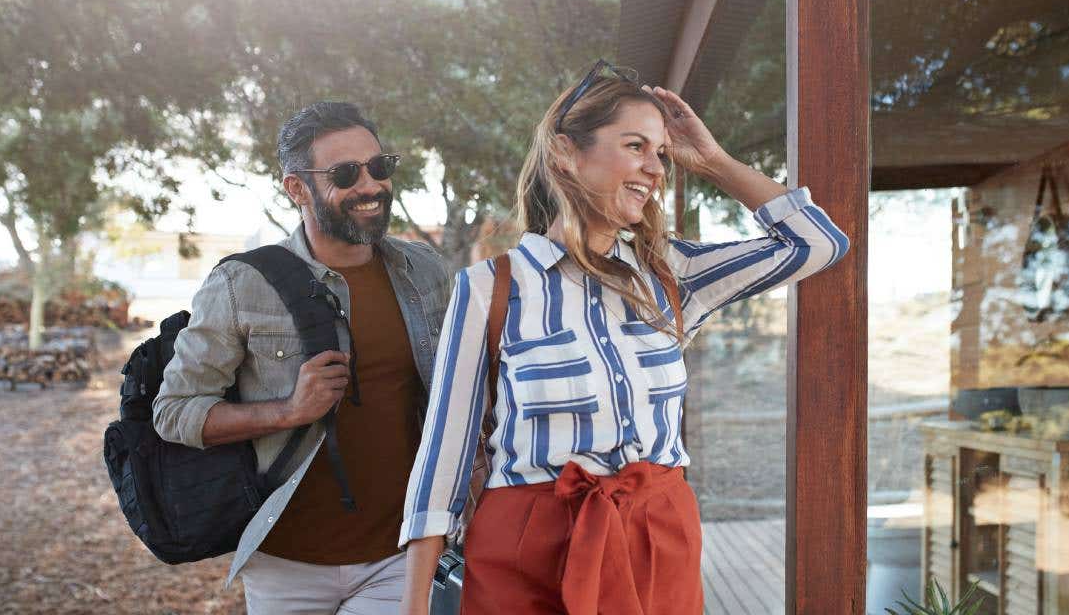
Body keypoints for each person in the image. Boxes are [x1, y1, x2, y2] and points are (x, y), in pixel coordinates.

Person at [398, 62, 849, 615]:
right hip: (528, 553)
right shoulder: (490, 288)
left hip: (657, 542)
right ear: (565, 152)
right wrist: (415, 605)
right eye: (636, 145)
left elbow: (815, 243)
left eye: (661, 153)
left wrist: (711, 160)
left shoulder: (670, 274)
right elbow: (443, 454)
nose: (655, 168)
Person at [153, 101, 452, 614]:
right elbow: (173, 412)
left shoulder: (425, 271)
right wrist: (289, 411)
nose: (370, 186)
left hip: (399, 554)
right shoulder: (241, 284)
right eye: (344, 173)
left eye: (379, 167)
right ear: (296, 189)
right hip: (284, 562)